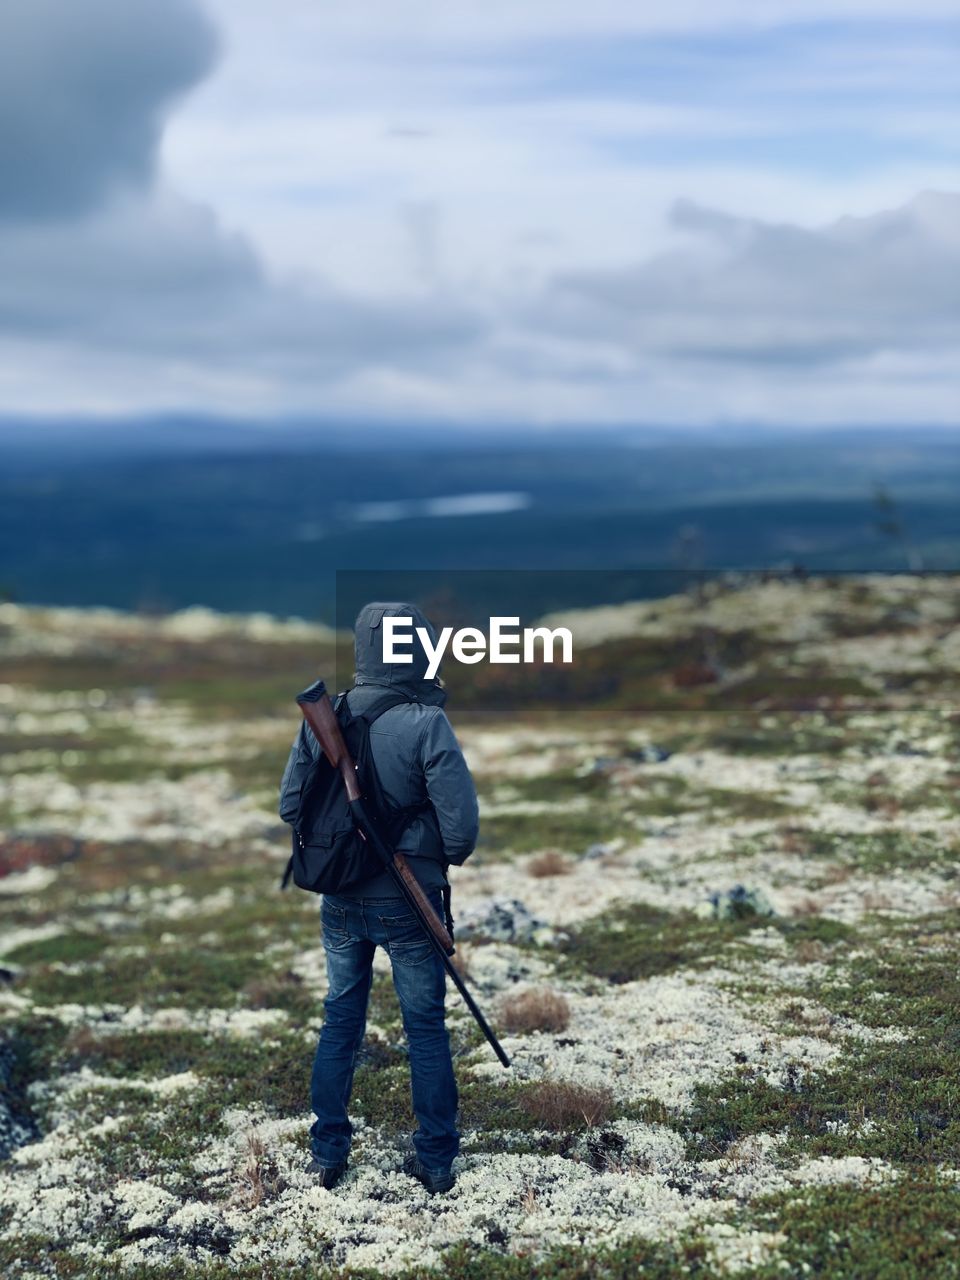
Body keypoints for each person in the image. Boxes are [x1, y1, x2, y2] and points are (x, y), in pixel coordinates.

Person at [298, 601, 479, 1194]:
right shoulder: (426, 723)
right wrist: (406, 835)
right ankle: (435, 1158)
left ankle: (328, 1152)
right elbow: (461, 835)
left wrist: (357, 828)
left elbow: (288, 808)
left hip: (341, 903)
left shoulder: (331, 715)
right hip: (408, 903)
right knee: (424, 1027)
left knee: (340, 1019)